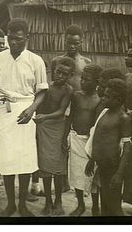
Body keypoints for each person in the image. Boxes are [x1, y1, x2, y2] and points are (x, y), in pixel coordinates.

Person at [0, 18, 48, 217]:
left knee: (25, 159)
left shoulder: (35, 60)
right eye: (11, 39)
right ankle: (10, 204)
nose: (14, 43)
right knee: (7, 158)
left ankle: (22, 205)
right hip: (4, 110)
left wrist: (31, 109)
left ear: (27, 38)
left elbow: (42, 91)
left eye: (19, 39)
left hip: (26, 111)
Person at [34, 56, 75, 216]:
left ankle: (58, 200)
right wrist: (40, 120)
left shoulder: (68, 90)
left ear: (70, 76)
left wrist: (44, 117)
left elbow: (61, 111)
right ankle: (48, 201)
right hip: (43, 129)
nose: (60, 76)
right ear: (53, 71)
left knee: (58, 168)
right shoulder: (45, 87)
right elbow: (37, 106)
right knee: (45, 167)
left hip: (58, 128)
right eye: (58, 72)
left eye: (65, 74)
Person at [85, 78, 131, 216]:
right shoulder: (104, 112)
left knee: (114, 205)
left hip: (113, 168)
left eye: (107, 96)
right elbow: (97, 137)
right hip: (101, 165)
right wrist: (92, 159)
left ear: (118, 100)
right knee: (104, 201)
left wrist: (119, 174)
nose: (103, 98)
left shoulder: (123, 118)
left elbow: (127, 148)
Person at [67, 64, 102, 216]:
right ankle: (80, 204)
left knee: (92, 176)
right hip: (75, 138)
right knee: (77, 174)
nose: (83, 82)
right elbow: (70, 117)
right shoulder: (76, 96)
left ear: (96, 82)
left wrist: (94, 147)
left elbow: (98, 125)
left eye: (87, 80)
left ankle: (95, 206)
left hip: (91, 141)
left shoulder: (99, 100)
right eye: (82, 78)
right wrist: (64, 137)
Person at [50, 24, 91, 91]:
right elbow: (53, 82)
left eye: (76, 43)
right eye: (69, 43)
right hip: (61, 98)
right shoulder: (56, 61)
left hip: (78, 99)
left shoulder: (87, 62)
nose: (72, 46)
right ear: (65, 41)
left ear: (81, 43)